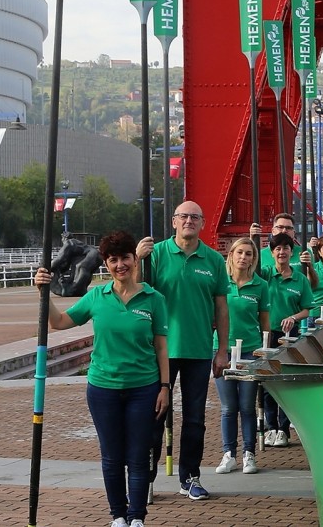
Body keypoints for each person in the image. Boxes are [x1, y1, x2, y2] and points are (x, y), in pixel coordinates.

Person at [35, 231, 169, 527]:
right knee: (111, 456)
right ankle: (118, 516)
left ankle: (137, 518)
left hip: (144, 388)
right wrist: (44, 292)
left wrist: (164, 386)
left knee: (137, 455)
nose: (120, 264)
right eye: (113, 260)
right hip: (103, 388)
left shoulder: (153, 299)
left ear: (135, 260)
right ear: (106, 265)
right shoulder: (96, 296)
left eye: (125, 258)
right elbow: (59, 323)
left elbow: (161, 346)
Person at [136, 201, 230, 501]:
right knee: (153, 415)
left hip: (198, 350)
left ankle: (190, 477)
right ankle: (145, 479)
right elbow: (136, 292)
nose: (189, 221)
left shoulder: (213, 260)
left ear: (202, 223)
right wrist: (139, 260)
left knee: (195, 419)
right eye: (183, 216)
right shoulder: (156, 254)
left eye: (195, 217)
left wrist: (222, 349)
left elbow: (221, 307)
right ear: (174, 221)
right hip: (161, 350)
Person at [213, 237, 268, 476]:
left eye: (249, 254)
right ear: (231, 255)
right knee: (228, 407)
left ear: (253, 259)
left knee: (247, 406)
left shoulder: (260, 285)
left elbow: (265, 321)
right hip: (222, 351)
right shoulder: (220, 282)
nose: (244, 258)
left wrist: (265, 351)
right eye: (240, 253)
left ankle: (249, 453)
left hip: (250, 351)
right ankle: (229, 454)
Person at [260, 231, 315, 446]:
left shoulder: (299, 278)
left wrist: (293, 317)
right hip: (266, 334)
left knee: (285, 380)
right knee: (266, 381)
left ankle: (283, 428)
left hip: (289, 336)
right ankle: (270, 426)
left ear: (291, 252)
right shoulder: (265, 274)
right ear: (272, 252)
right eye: (278, 249)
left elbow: (307, 309)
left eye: (286, 248)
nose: (282, 252)